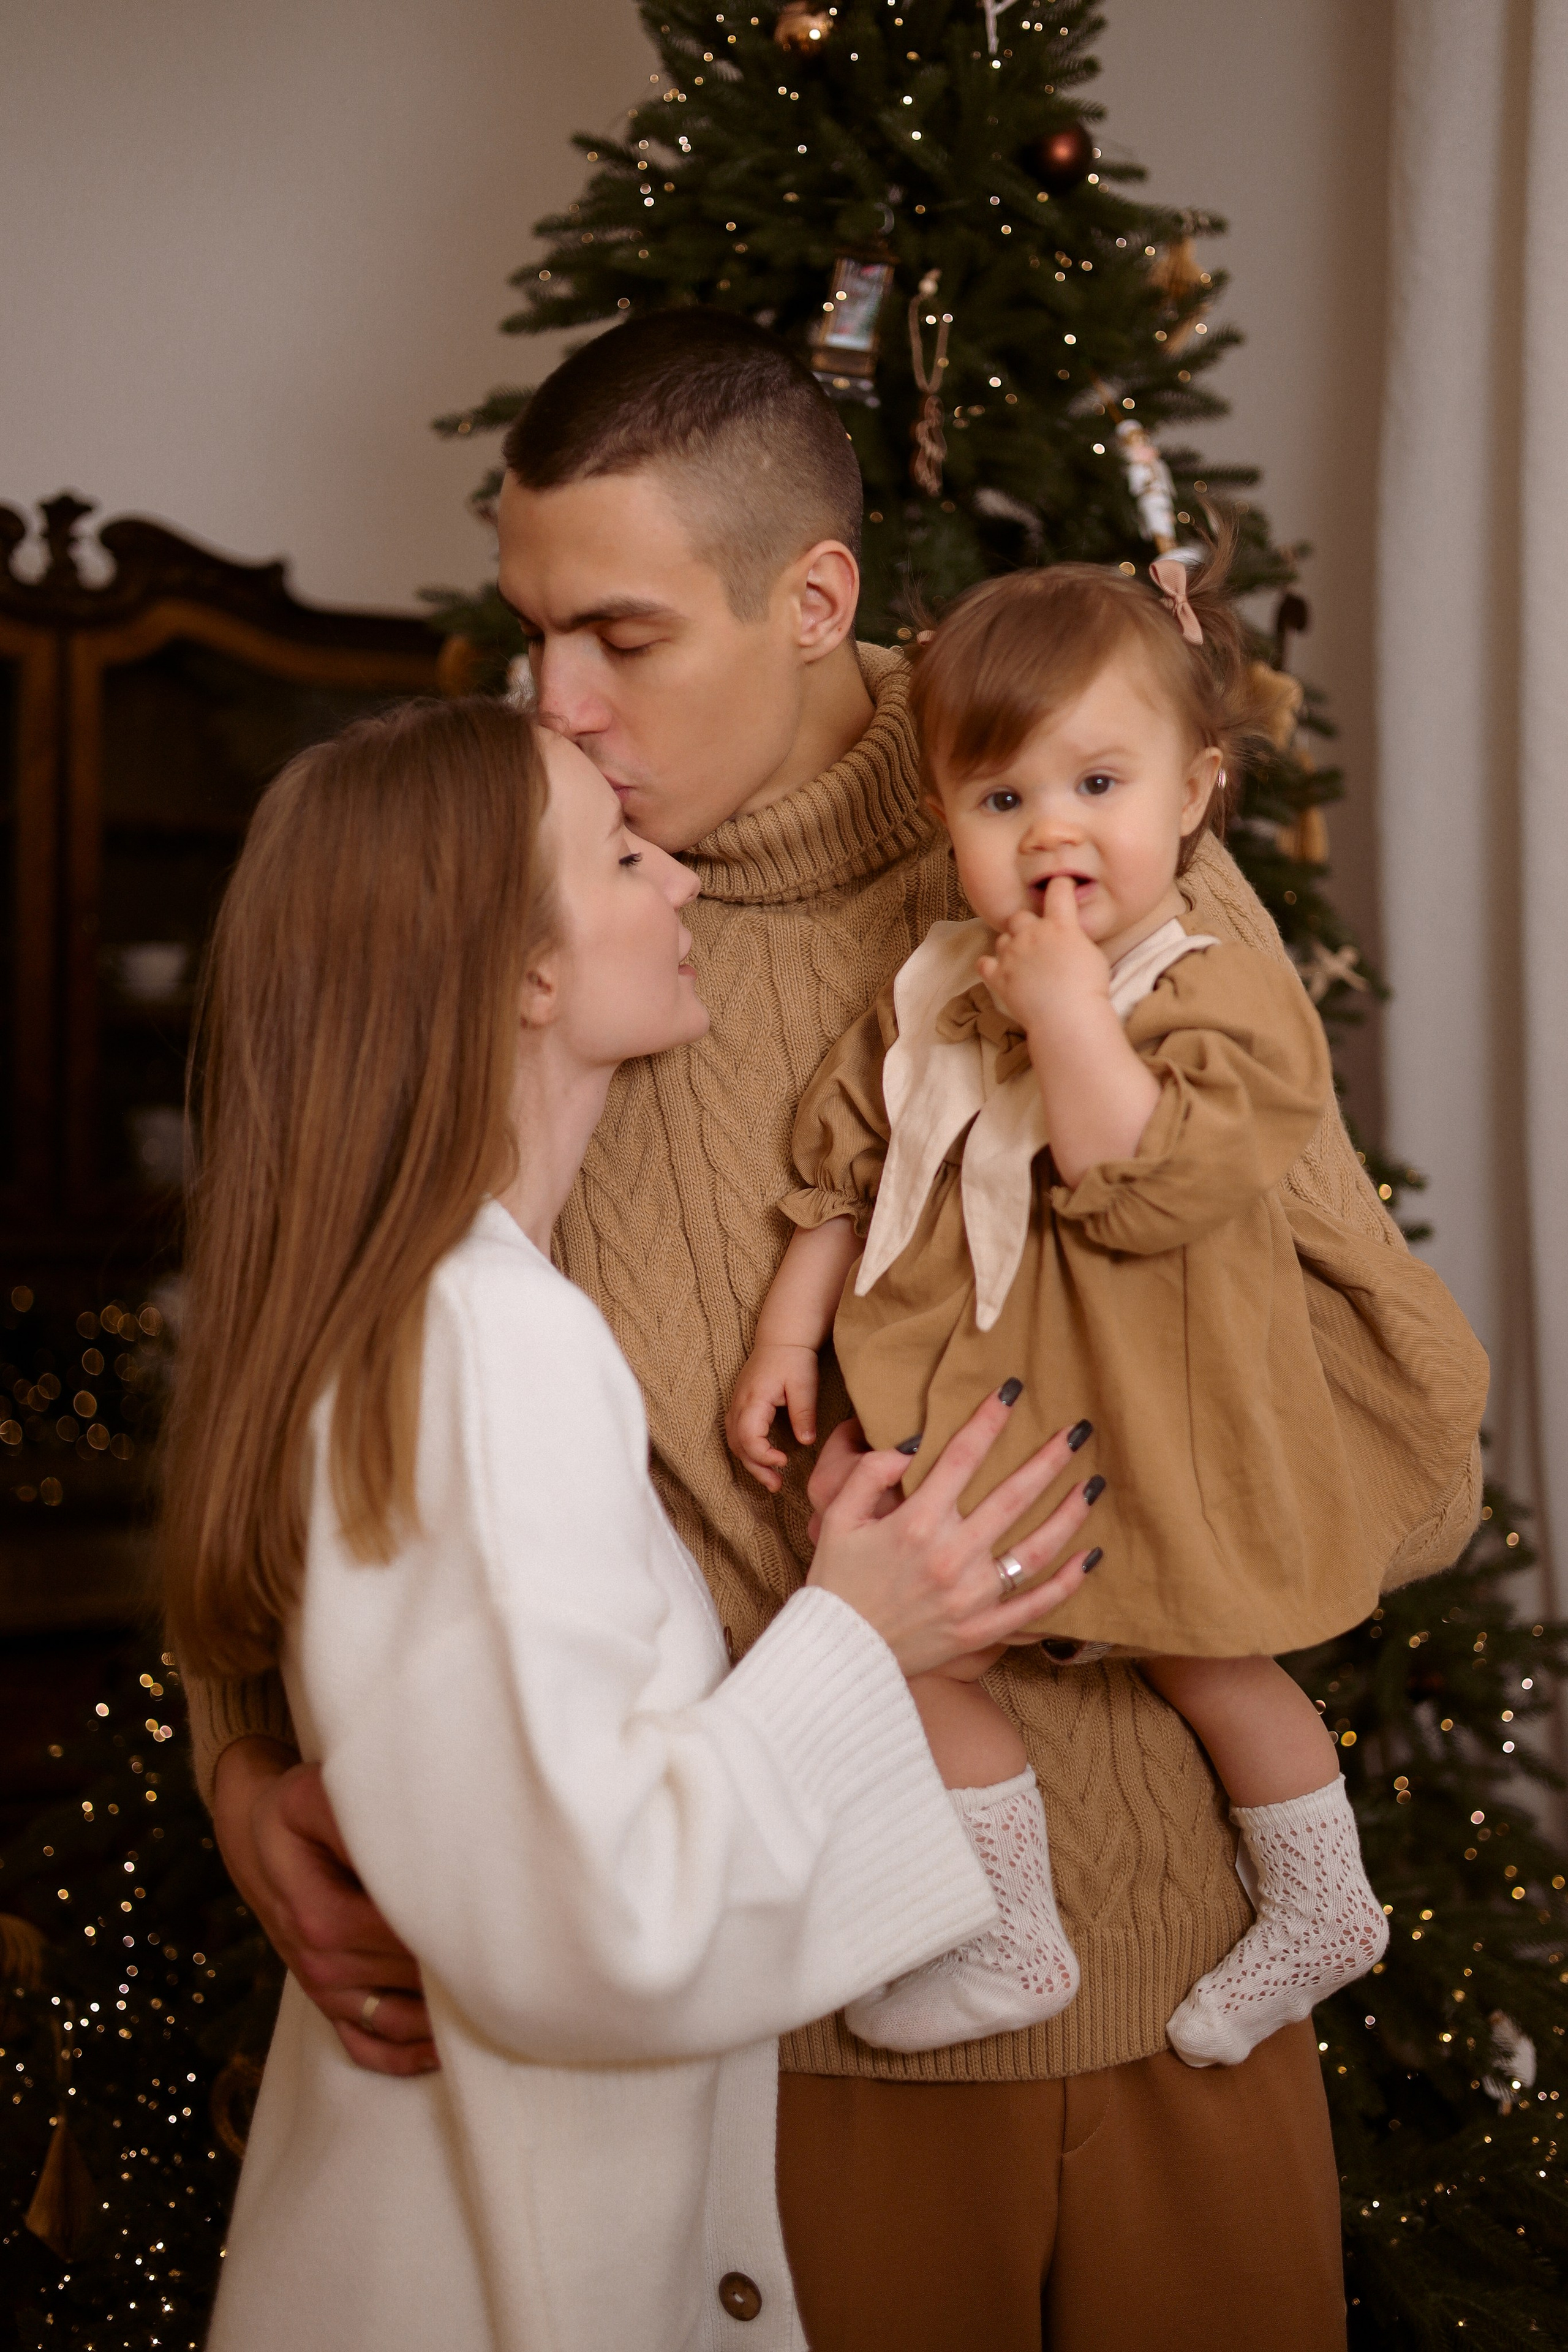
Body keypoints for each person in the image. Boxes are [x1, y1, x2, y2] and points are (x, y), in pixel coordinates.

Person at [186, 311, 1483, 2351]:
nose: (561, 703)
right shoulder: (523, 956)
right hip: (788, 2059)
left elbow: (1394, 1428)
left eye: (621, 639)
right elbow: (324, 1372)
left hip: (1183, 2005)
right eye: (531, 634)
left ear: (814, 601)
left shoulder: (1099, 866)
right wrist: (249, 1751)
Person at [164, 695, 1102, 2351]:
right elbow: (600, 1922)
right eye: (617, 854)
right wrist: (863, 1633)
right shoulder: (477, 1341)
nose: (676, 880)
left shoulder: (458, 1312)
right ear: (524, 969)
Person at [728, 543, 1487, 2067]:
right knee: (919, 1647)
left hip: (1161, 1406)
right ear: (943, 816)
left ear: (1195, 790)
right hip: (994, 1410)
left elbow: (1137, 1177)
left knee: (1210, 1652)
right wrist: (784, 1334)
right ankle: (1008, 1931)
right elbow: (848, 1160)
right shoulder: (940, 977)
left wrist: (1069, 1007)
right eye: (1000, 801)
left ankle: (1323, 1899)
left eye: (1097, 785)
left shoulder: (1203, 974)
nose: (1051, 833)